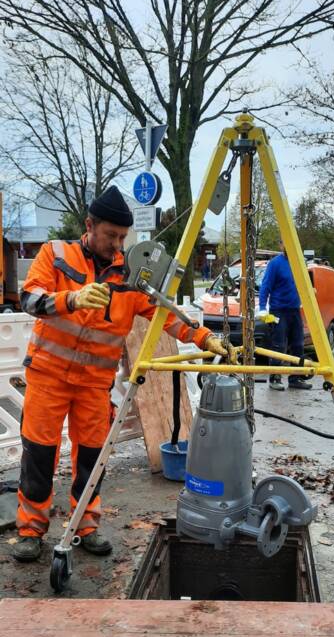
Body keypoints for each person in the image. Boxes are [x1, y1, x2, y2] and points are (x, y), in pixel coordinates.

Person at [13, 186, 230, 562]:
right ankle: (32, 529)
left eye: (122, 238)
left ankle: (86, 525)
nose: (116, 244)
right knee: (39, 455)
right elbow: (29, 298)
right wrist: (72, 299)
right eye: (110, 235)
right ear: (90, 225)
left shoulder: (132, 276)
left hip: (94, 386)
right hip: (48, 378)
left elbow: (163, 314)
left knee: (92, 458)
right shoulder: (55, 254)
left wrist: (203, 336)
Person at [258, 242, 312, 392]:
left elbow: (304, 284)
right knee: (279, 346)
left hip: (295, 311)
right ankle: (274, 379)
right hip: (278, 311)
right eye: (284, 243)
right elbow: (265, 286)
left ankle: (295, 378)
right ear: (281, 245)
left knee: (298, 345)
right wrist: (263, 308)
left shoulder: (299, 264)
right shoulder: (275, 264)